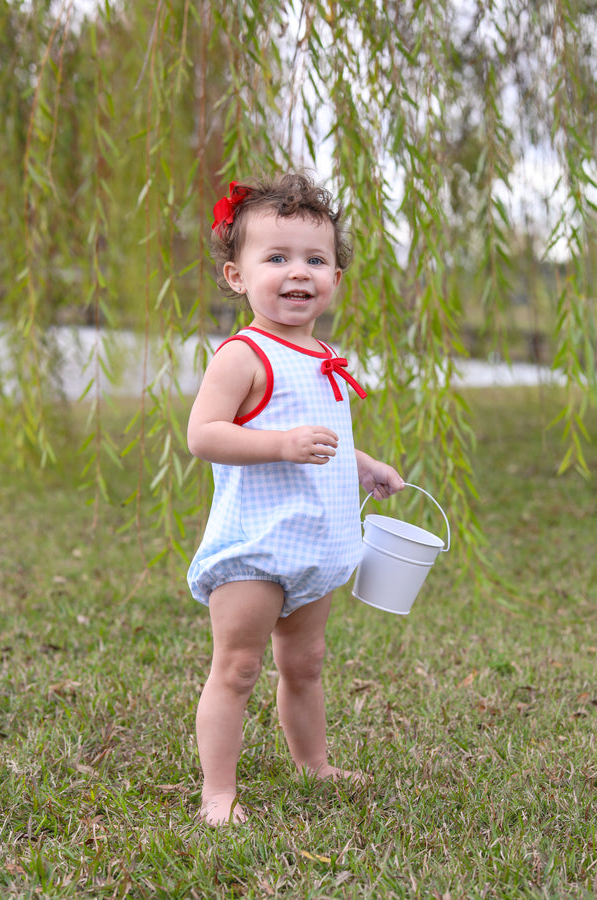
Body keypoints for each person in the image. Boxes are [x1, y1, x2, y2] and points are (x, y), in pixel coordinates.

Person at [187, 172, 404, 826]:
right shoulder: (243, 355)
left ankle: (314, 762)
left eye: (315, 259)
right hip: (257, 545)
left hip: (318, 542)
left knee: (304, 663)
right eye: (275, 257)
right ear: (236, 276)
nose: (297, 272)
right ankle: (218, 793)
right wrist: (280, 444)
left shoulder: (324, 357)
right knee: (238, 668)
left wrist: (361, 463)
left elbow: (326, 436)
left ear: (336, 276)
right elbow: (204, 435)